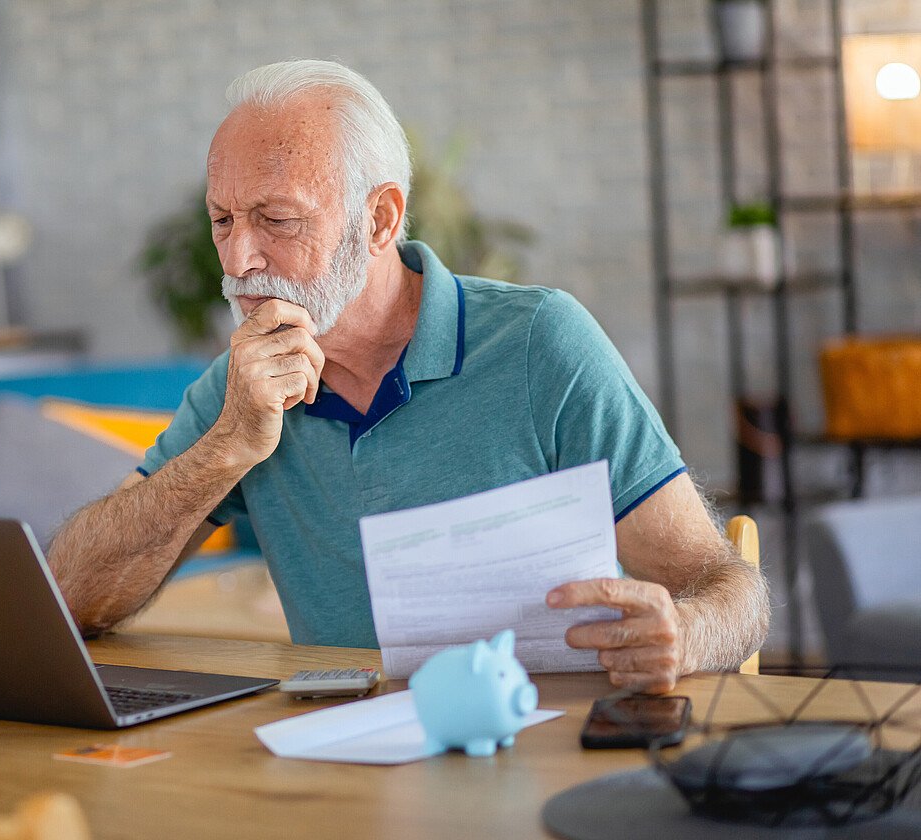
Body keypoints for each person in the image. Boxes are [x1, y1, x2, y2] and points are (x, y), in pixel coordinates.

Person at [48, 59, 769, 694]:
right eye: (223, 219)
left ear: (381, 219)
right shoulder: (238, 389)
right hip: (346, 768)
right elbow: (72, 597)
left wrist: (686, 633)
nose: (238, 260)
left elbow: (729, 589)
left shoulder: (539, 342)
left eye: (277, 219)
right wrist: (227, 445)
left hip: (552, 747)